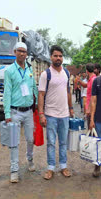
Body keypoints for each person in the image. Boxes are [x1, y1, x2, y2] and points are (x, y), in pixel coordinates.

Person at [3, 42, 38, 183]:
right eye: (19, 51)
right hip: (15, 111)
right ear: (14, 52)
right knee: (14, 142)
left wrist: (39, 106)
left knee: (30, 139)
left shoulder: (29, 69)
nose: (22, 54)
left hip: (29, 111)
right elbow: (7, 93)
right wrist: (7, 114)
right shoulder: (9, 71)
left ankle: (30, 159)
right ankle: (14, 169)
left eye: (24, 52)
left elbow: (34, 88)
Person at [38, 45, 74, 180]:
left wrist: (71, 108)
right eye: (55, 56)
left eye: (60, 56)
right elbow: (41, 95)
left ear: (62, 58)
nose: (58, 58)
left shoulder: (66, 73)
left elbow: (68, 92)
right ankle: (51, 168)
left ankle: (63, 166)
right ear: (51, 57)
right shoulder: (45, 74)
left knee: (63, 142)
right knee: (51, 142)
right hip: (51, 114)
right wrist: (41, 114)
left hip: (64, 114)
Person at [85, 63, 97, 128]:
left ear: (87, 71)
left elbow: (93, 96)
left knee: (91, 127)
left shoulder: (93, 80)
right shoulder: (91, 79)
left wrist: (89, 109)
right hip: (90, 106)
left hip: (91, 108)